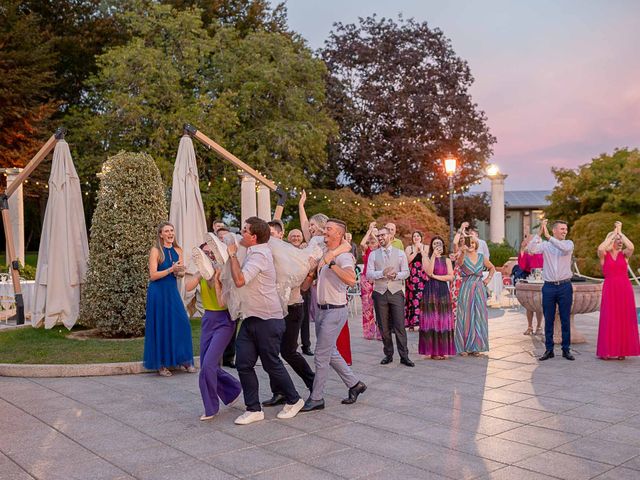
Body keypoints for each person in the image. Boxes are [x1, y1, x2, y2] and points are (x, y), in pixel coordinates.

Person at [227, 217, 304, 425]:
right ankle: (253, 409)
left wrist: (232, 254)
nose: (241, 233)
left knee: (271, 363)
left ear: (254, 237)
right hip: (252, 317)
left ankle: (294, 400)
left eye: (245, 231)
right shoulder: (252, 251)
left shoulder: (260, 255)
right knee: (243, 363)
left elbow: (240, 280)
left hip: (269, 319)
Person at [301, 218, 366, 412]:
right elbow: (306, 286)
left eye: (328, 229)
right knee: (331, 353)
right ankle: (355, 384)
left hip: (335, 311)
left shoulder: (343, 257)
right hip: (321, 310)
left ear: (338, 234)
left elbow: (352, 280)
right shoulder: (326, 252)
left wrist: (331, 265)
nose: (324, 231)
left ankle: (317, 398)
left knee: (321, 356)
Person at [262, 223, 316, 408]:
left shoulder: (293, 254)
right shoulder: (266, 253)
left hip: (292, 308)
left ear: (280, 234)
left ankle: (313, 384)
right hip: (273, 310)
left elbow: (299, 282)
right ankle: (279, 392)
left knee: (289, 351)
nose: (268, 237)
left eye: (271, 234)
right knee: (270, 352)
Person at [187, 244, 241, 420]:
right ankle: (233, 390)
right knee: (206, 365)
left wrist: (217, 282)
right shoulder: (203, 272)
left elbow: (221, 304)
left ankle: (210, 408)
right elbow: (188, 287)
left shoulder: (225, 274)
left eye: (212, 252)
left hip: (224, 321)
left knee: (209, 365)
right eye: (206, 253)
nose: (209, 255)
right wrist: (199, 272)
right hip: (208, 320)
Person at [143, 222, 196, 376]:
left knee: (182, 323)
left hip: (172, 291)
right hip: (158, 292)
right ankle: (161, 365)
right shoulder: (156, 251)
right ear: (161, 235)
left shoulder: (178, 250)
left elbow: (179, 275)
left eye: (172, 230)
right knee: (161, 326)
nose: (170, 233)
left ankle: (185, 359)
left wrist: (179, 271)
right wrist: (170, 269)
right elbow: (153, 275)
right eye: (166, 231)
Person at [366, 226, 414, 367]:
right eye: (378, 236)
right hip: (379, 293)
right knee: (383, 326)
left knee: (399, 325)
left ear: (390, 236)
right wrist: (382, 273)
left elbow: (406, 272)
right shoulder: (373, 255)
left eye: (383, 235)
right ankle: (388, 354)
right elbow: (369, 274)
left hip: (396, 292)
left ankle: (404, 356)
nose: (380, 238)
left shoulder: (400, 254)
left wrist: (395, 275)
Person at [528, 219, 575, 361]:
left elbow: (564, 249)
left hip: (565, 286)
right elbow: (531, 250)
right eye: (562, 229)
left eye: (565, 229)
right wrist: (539, 233)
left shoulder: (568, 244)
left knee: (565, 318)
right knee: (548, 319)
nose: (565, 231)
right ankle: (549, 350)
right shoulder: (546, 246)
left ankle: (566, 349)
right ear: (554, 230)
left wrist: (549, 237)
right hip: (548, 287)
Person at [596, 222, 640, 360]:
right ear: (611, 241)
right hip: (610, 288)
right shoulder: (604, 254)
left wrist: (621, 233)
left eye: (621, 241)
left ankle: (622, 350)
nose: (620, 243)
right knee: (609, 317)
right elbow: (600, 247)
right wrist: (613, 234)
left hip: (624, 289)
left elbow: (631, 246)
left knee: (624, 317)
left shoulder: (625, 255)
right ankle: (607, 350)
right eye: (617, 240)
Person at [455, 236, 495, 356]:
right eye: (469, 243)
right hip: (466, 287)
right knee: (465, 316)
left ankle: (477, 346)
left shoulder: (482, 257)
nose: (471, 245)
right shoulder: (462, 256)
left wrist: (488, 279)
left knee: (478, 315)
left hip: (479, 288)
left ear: (476, 244)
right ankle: (464, 347)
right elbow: (459, 263)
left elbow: (492, 268)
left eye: (473, 243)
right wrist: (462, 251)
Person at [421, 236, 456, 359]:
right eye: (435, 243)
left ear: (443, 246)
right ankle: (433, 352)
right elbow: (429, 272)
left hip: (442, 290)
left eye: (439, 243)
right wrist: (433, 257)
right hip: (430, 291)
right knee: (432, 319)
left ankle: (443, 350)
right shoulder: (427, 258)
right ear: (432, 246)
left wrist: (436, 277)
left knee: (443, 319)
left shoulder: (446, 260)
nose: (437, 245)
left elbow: (451, 276)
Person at [288, 228, 313, 356]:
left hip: (304, 287)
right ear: (288, 238)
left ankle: (306, 345)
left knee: (305, 319)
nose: (296, 238)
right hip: (289, 290)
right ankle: (291, 345)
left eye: (298, 236)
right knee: (290, 319)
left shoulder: (305, 251)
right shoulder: (285, 252)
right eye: (293, 236)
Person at [518, 235, 543, 335]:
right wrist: (522, 249)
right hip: (530, 279)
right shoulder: (529, 253)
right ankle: (529, 326)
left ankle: (539, 326)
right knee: (529, 305)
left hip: (542, 279)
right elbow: (522, 264)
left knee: (539, 305)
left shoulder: (543, 252)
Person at [360, 222, 381, 340]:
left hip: (378, 280)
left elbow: (378, 242)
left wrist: (374, 233)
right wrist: (369, 231)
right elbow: (362, 243)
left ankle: (380, 332)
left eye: (376, 236)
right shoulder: (367, 249)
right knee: (367, 307)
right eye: (371, 239)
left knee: (379, 307)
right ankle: (368, 332)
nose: (373, 241)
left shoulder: (381, 250)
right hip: (366, 280)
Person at [404, 231, 429, 330]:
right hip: (412, 276)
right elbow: (407, 261)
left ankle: (423, 322)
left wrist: (421, 250)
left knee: (423, 297)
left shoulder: (426, 247)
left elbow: (427, 259)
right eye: (414, 236)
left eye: (418, 236)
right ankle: (413, 322)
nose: (416, 237)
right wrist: (415, 251)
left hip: (423, 275)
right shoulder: (409, 248)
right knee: (412, 298)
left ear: (421, 237)